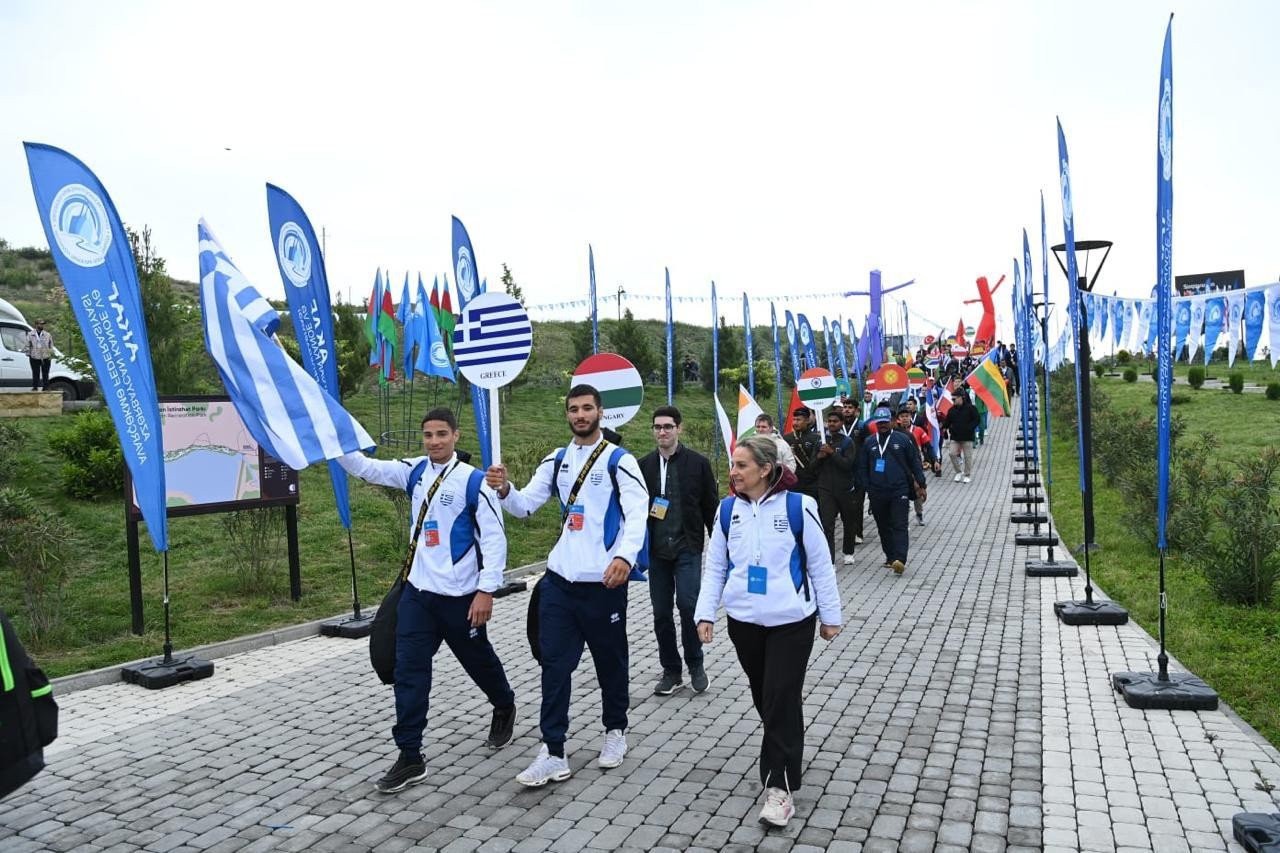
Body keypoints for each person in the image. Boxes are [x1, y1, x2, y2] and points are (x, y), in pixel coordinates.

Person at [336, 407, 515, 794]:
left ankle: (503, 703)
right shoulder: (414, 470)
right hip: (417, 595)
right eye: (428, 435)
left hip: (461, 598)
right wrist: (333, 441)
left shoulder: (474, 481)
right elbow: (367, 468)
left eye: (441, 435)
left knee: (478, 661)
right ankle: (410, 754)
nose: (434, 441)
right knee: (409, 672)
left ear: (456, 436)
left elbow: (495, 538)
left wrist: (486, 591)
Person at [485, 385, 648, 786]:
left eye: (587, 408)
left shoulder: (619, 460)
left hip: (603, 583)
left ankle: (615, 731)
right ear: (568, 414)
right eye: (573, 409)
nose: (580, 415)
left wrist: (624, 557)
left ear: (600, 412)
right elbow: (524, 506)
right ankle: (553, 750)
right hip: (559, 582)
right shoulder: (556, 460)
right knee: (555, 666)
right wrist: (504, 488)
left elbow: (637, 511)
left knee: (610, 662)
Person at [694, 435, 842, 828]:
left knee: (778, 696)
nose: (733, 472)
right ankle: (788, 745)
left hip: (791, 621)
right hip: (744, 623)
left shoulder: (799, 506)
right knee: (769, 697)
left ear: (765, 468)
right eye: (733, 464)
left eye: (742, 465)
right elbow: (716, 568)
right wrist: (704, 614)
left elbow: (821, 565)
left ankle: (778, 787)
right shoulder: (727, 512)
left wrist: (831, 616)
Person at [637, 406, 718, 696]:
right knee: (660, 613)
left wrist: (722, 548)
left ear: (679, 429)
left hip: (688, 548)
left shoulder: (698, 463)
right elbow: (633, 510)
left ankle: (696, 664)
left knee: (687, 605)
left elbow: (711, 507)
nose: (662, 432)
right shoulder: (643, 465)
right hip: (657, 552)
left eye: (668, 427)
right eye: (657, 427)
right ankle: (671, 671)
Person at [853, 406, 927, 574]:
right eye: (879, 423)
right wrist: (867, 487)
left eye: (886, 422)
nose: (882, 426)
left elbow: (915, 462)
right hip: (877, 491)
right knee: (883, 525)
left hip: (899, 490)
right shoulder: (869, 442)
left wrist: (921, 484)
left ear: (893, 421)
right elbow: (862, 467)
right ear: (875, 424)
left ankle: (900, 559)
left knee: (899, 524)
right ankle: (890, 556)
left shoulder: (903, 439)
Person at [816, 411, 859, 564]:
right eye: (830, 421)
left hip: (845, 488)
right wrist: (819, 458)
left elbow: (847, 465)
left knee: (848, 522)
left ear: (841, 423)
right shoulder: (820, 441)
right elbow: (812, 467)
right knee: (827, 524)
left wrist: (832, 453)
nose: (832, 424)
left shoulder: (847, 442)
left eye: (835, 421)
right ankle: (830, 560)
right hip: (825, 488)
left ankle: (848, 552)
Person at [895, 406, 938, 525]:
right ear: (898, 419)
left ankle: (919, 514)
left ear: (910, 417)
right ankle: (904, 519)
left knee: (918, 491)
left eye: (906, 416)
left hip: (915, 466)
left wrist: (935, 460)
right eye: (902, 416)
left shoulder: (918, 430)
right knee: (902, 494)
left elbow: (928, 446)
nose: (904, 419)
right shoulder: (895, 432)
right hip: (901, 469)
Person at [941, 389, 981, 483]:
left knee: (968, 456)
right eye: (952, 399)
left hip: (967, 437)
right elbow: (947, 421)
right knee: (952, 453)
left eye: (955, 399)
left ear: (961, 398)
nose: (953, 401)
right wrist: (943, 426)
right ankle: (958, 472)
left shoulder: (971, 408)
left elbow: (977, 419)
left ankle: (967, 474)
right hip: (955, 437)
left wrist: (970, 428)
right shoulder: (951, 410)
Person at [783, 407, 821, 499]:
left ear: (807, 420)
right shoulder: (786, 438)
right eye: (794, 420)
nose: (795, 422)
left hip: (812, 484)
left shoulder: (815, 438)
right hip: (793, 482)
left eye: (798, 420)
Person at [22, 319, 52, 392]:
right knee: (35, 373)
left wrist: (50, 353)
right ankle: (35, 387)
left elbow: (51, 345)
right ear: (36, 325)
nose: (42, 325)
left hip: (45, 356)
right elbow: (27, 345)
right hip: (34, 357)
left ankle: (45, 387)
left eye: (43, 324)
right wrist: (29, 354)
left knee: (45, 373)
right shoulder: (30, 334)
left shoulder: (47, 334)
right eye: (40, 324)